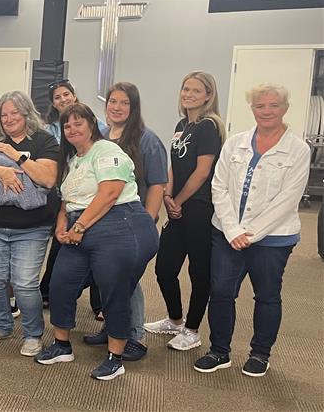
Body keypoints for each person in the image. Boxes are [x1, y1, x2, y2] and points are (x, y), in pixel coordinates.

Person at [34, 103, 158, 381]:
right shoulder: (73, 159)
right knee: (60, 283)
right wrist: (62, 226)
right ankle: (62, 345)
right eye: (67, 126)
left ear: (92, 125)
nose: (72, 129)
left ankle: (116, 357)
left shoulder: (107, 150)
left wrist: (79, 225)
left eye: (79, 123)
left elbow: (110, 192)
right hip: (82, 225)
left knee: (112, 288)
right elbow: (67, 200)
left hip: (118, 222)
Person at [194, 84, 310, 378]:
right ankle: (219, 351)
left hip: (273, 239)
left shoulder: (298, 149)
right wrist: (233, 230)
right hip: (227, 235)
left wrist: (251, 233)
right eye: (260, 106)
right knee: (220, 292)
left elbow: (288, 199)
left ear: (284, 108)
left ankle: (260, 354)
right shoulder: (236, 143)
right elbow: (218, 186)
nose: (267, 111)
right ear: (252, 109)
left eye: (273, 105)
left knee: (267, 295)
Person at [0, 91, 59, 356]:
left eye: (14, 113)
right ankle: (2, 325)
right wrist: (0, 171)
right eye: (4, 115)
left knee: (25, 284)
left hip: (31, 228)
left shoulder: (43, 140)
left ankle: (32, 334)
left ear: (26, 113)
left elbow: (47, 178)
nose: (8, 119)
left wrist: (15, 156)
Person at [81, 82, 168, 361]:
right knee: (108, 276)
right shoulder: (102, 136)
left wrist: (149, 218)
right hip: (102, 220)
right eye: (112, 102)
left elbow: (157, 184)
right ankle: (113, 328)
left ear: (134, 107)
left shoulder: (147, 140)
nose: (117, 108)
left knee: (127, 278)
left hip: (132, 221)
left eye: (124, 103)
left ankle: (136, 336)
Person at [146, 71, 225, 352]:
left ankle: (192, 330)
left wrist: (177, 200)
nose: (188, 94)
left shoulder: (208, 126)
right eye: (185, 89)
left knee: (199, 272)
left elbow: (202, 172)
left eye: (196, 90)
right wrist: (167, 194)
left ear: (208, 95)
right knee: (164, 268)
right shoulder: (182, 124)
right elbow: (174, 165)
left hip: (200, 209)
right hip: (177, 206)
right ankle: (175, 320)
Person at [39, 80, 108, 315]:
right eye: (57, 97)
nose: (63, 100)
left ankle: (99, 304)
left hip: (91, 195)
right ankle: (48, 291)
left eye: (66, 94)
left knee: (99, 252)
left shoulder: (97, 129)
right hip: (64, 193)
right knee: (60, 245)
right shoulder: (50, 128)